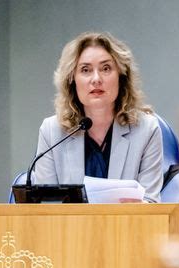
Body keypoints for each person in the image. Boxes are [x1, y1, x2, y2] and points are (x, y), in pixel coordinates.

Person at [34, 31, 163, 203]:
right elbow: (45, 207)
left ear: (121, 76)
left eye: (106, 68)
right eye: (85, 70)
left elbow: (152, 206)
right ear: (72, 79)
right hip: (69, 230)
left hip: (127, 228)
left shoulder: (146, 130)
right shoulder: (51, 131)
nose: (96, 79)